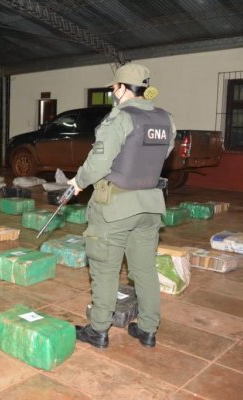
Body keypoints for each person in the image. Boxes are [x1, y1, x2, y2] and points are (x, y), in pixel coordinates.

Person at [68, 62, 176, 349]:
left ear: (121, 88)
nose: (113, 93)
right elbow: (164, 152)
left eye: (114, 88)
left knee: (105, 268)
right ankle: (148, 329)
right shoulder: (166, 119)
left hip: (116, 205)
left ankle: (99, 330)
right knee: (144, 270)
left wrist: (78, 182)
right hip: (151, 205)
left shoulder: (121, 118)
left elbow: (100, 161)